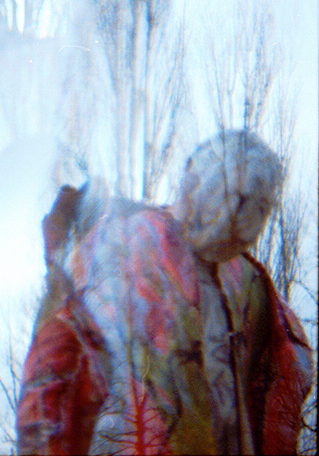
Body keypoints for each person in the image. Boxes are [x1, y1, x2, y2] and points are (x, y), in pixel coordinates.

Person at [16, 130, 313, 455]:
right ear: (193, 178)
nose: (242, 220)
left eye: (261, 208)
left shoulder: (247, 282)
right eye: (234, 196)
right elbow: (55, 371)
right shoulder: (122, 246)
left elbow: (280, 369)